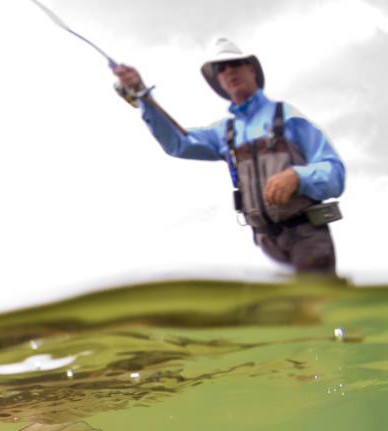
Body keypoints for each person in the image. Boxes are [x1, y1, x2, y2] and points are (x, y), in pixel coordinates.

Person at [113, 38, 345, 272]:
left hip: (307, 238)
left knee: (314, 306)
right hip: (264, 244)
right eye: (220, 69)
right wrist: (142, 95)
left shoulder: (288, 115)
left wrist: (297, 176)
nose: (228, 71)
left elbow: (335, 174)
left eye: (234, 64)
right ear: (219, 82)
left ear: (251, 70)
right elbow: (178, 143)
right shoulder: (225, 132)